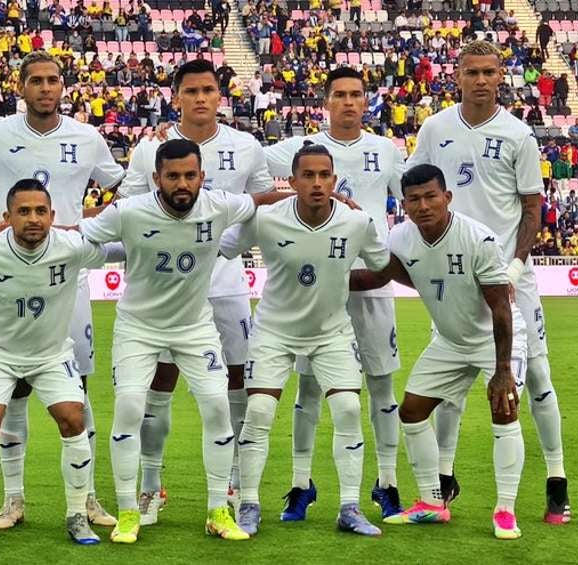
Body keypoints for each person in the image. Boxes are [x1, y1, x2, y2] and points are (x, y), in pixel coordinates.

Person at [79, 138, 291, 544]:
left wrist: (328, 194)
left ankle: (217, 509)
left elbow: (260, 200)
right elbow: (80, 233)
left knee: (217, 408)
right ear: (156, 178)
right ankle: (127, 511)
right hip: (138, 327)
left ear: (201, 177)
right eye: (173, 176)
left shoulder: (220, 204)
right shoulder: (129, 211)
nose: (182, 183)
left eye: (190, 175)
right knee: (128, 407)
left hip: (195, 327)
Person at [407, 40, 570, 524]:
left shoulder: (519, 134)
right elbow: (416, 187)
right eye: (471, 71)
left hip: (509, 276)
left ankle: (556, 480)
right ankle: (443, 478)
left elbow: (532, 207)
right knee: (452, 379)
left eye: (489, 72)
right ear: (456, 75)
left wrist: (516, 266)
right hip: (453, 277)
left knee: (536, 377)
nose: (480, 79)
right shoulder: (435, 127)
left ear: (502, 76)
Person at [0, 50, 125, 529]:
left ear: (63, 86)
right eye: (36, 80)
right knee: (10, 390)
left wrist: (90, 223)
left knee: (78, 387)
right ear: (21, 87)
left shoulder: (87, 136)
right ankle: (13, 499)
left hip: (66, 277)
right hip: (10, 270)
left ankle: (88, 496)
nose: (46, 88)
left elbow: (125, 188)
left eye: (53, 80)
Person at [118, 58, 274, 524]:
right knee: (155, 386)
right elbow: (127, 208)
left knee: (234, 383)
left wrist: (229, 247)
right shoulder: (150, 149)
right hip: (164, 290)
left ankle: (233, 487)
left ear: (219, 96)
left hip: (225, 286)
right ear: (176, 96)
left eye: (209, 89)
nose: (201, 97)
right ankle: (150, 487)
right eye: (191, 90)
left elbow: (259, 211)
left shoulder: (246, 145)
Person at [349, 163, 527, 540]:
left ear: (447, 197)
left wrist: (501, 370)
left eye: (431, 196)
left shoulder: (478, 239)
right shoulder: (400, 237)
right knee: (411, 412)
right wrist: (330, 278)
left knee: (504, 410)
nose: (423, 205)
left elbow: (501, 308)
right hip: (450, 341)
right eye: (414, 199)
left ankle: (505, 510)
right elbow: (381, 275)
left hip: (496, 342)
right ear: (404, 203)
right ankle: (432, 504)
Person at [222, 144, 389, 538]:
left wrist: (337, 287)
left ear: (334, 180)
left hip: (332, 332)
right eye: (308, 176)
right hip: (274, 331)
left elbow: (382, 267)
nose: (317, 183)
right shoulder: (266, 219)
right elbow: (219, 246)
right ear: (292, 181)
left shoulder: (356, 222)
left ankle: (349, 507)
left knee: (348, 409)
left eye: (324, 175)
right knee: (259, 411)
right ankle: (249, 505)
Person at [263, 66, 406, 522]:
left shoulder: (386, 149)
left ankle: (387, 482)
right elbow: (244, 159)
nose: (348, 102)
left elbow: (419, 195)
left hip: (371, 283)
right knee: (308, 388)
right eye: (339, 94)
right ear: (326, 101)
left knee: (381, 384)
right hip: (316, 285)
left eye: (356, 95)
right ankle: (301, 484)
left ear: (367, 102)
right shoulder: (297, 149)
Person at [0, 179, 122, 548]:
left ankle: (77, 514)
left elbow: (120, 248)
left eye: (40, 211)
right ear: (6, 216)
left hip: (51, 354)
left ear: (52, 216)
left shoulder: (71, 246)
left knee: (74, 419)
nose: (33, 219)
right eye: (23, 211)